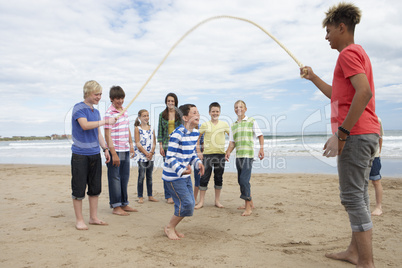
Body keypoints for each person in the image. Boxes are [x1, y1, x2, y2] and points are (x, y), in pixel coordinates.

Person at [301, 3, 380, 267]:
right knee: (360, 194)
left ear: (341, 28)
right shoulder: (359, 53)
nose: (326, 37)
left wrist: (342, 134)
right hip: (366, 132)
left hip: (356, 134)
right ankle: (354, 251)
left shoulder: (347, 54)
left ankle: (366, 262)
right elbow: (338, 95)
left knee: (353, 197)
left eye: (328, 31)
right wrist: (313, 77)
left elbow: (364, 92)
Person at [71, 80, 116, 230]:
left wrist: (105, 149)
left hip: (94, 154)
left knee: (95, 188)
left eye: (100, 94)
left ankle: (93, 217)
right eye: (96, 94)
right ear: (88, 93)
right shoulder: (79, 108)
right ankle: (79, 220)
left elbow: (97, 133)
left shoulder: (95, 112)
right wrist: (106, 121)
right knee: (78, 188)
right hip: (80, 155)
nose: (99, 97)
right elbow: (85, 125)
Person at [162, 104, 205, 240]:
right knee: (187, 203)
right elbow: (170, 157)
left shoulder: (195, 133)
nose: (197, 115)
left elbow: (191, 152)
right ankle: (169, 227)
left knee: (188, 205)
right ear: (185, 118)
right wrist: (181, 171)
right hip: (173, 176)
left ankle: (172, 227)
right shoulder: (177, 134)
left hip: (184, 175)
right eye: (194, 113)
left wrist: (198, 162)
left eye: (198, 112)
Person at [225, 100, 264, 216]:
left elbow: (260, 136)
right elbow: (232, 143)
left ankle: (248, 208)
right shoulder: (233, 125)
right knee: (241, 181)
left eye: (241, 107)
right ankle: (250, 202)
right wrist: (227, 152)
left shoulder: (251, 121)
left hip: (248, 155)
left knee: (244, 180)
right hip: (239, 156)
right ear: (234, 110)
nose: (239, 109)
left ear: (245, 109)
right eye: (236, 107)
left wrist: (261, 149)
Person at [104, 86, 136, 216]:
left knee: (124, 177)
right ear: (111, 99)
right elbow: (107, 134)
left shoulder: (124, 111)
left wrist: (131, 144)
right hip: (115, 149)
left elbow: (127, 128)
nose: (120, 101)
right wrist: (113, 153)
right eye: (117, 98)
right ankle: (116, 206)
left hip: (125, 149)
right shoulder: (109, 113)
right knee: (114, 178)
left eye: (122, 98)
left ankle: (124, 203)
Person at [195, 102, 229, 209]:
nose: (215, 113)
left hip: (220, 155)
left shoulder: (224, 124)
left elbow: (232, 139)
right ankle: (201, 202)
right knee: (204, 178)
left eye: (217, 111)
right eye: (213, 111)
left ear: (220, 112)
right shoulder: (205, 125)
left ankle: (217, 201)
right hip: (207, 155)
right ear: (209, 112)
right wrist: (199, 152)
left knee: (218, 177)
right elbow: (197, 138)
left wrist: (228, 152)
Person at [158, 93, 181, 204]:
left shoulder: (179, 115)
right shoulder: (162, 115)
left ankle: (177, 194)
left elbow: (183, 130)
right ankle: (168, 196)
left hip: (178, 146)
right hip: (167, 146)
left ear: (175, 102)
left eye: (172, 101)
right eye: (169, 101)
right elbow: (160, 132)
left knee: (178, 170)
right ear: (166, 102)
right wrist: (161, 146)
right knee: (167, 170)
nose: (170, 103)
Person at [134, 109, 159, 203]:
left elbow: (154, 142)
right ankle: (140, 196)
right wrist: (145, 153)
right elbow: (137, 143)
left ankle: (150, 195)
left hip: (150, 156)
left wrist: (151, 152)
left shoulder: (151, 128)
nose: (146, 117)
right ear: (139, 117)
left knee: (149, 176)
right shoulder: (137, 128)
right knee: (141, 176)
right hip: (141, 155)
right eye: (144, 116)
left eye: (147, 115)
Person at [370, 117, 384, 216]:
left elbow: (380, 138)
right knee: (359, 181)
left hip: (374, 156)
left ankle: (379, 206)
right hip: (359, 156)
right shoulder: (355, 115)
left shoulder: (377, 119)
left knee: (376, 180)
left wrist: (378, 152)